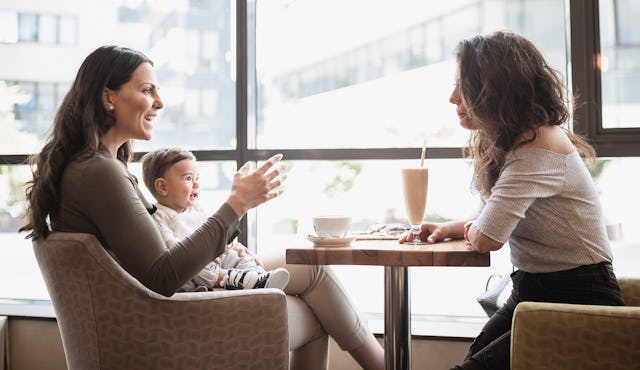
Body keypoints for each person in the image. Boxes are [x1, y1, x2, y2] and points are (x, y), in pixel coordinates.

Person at [20, 45, 384, 369]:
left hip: (172, 297)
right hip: (162, 321)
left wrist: (226, 238)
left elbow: (158, 253)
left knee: (310, 269)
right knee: (312, 308)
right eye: (147, 90)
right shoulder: (98, 171)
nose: (159, 103)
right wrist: (236, 205)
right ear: (108, 97)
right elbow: (162, 275)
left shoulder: (98, 166)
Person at [401, 31, 625, 370]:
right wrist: (452, 228)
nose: (452, 97)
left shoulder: (536, 151)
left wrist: (473, 228)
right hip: (540, 288)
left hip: (577, 296)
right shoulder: (527, 141)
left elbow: (488, 237)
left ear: (496, 88)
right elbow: (493, 215)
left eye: (463, 85)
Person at [141, 147, 290, 292]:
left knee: (238, 255)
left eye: (197, 178)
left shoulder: (197, 209)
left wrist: (232, 246)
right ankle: (233, 279)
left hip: (214, 259)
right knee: (198, 267)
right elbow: (174, 251)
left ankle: (258, 277)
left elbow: (215, 233)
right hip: (192, 267)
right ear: (162, 187)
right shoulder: (159, 217)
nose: (196, 184)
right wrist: (204, 256)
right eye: (188, 178)